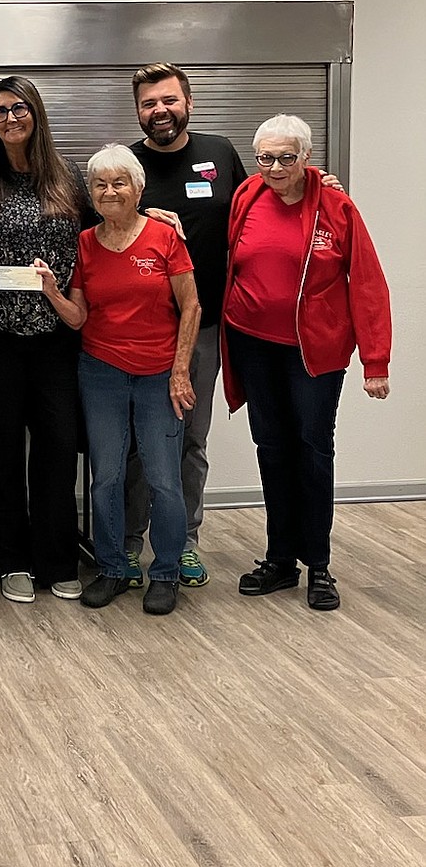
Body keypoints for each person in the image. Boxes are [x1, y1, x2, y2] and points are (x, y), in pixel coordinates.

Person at [223, 115, 391, 612]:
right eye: (266, 158)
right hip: (253, 342)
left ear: (307, 157)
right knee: (271, 448)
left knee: (312, 450)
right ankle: (279, 559)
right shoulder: (246, 196)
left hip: (313, 351)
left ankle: (318, 563)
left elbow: (366, 282)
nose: (275, 168)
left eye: (286, 158)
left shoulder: (337, 207)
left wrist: (375, 361)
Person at [38, 145, 200, 617]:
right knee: (105, 475)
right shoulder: (85, 243)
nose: (109, 191)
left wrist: (181, 370)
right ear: (90, 192)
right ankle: (112, 567)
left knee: (164, 478)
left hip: (158, 373)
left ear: (138, 188)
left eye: (119, 183)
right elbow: (77, 317)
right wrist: (50, 290)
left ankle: (166, 572)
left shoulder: (165, 237)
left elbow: (191, 306)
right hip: (101, 371)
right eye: (100, 184)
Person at [0, 75, 90, 604]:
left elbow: (99, 241)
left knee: (57, 449)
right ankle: (6, 558)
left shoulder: (69, 178)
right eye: (0, 111)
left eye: (19, 107)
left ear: (36, 113)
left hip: (56, 340)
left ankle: (56, 559)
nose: (9, 118)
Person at [123, 63, 248, 590]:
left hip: (203, 328)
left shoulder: (221, 154)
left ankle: (186, 541)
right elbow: (99, 230)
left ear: (188, 102)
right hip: (138, 329)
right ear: (138, 111)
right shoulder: (126, 164)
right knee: (134, 442)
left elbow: (258, 210)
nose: (160, 111)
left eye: (169, 100)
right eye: (150, 103)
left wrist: (317, 181)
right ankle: (129, 542)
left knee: (191, 440)